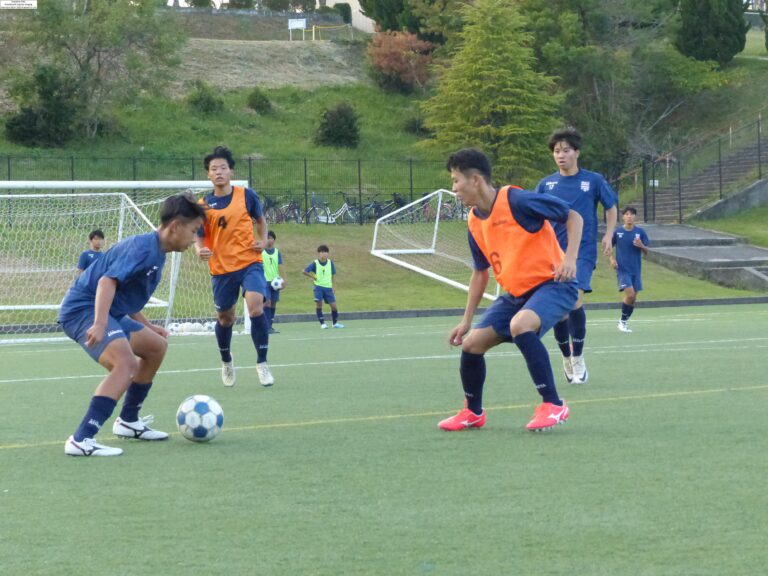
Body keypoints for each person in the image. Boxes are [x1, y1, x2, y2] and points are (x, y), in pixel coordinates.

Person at [439, 148, 583, 432]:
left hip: (554, 285)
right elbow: (480, 273)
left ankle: (553, 404)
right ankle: (473, 412)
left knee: (521, 325)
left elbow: (573, 217)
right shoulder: (473, 220)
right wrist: (466, 320)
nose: (453, 188)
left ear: (476, 180)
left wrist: (570, 259)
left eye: (456, 181)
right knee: (471, 345)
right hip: (516, 296)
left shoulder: (516, 200)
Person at [59, 193, 205, 457]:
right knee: (124, 364)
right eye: (194, 231)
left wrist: (148, 325)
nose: (194, 239)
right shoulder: (143, 249)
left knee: (156, 346)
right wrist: (101, 323)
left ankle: (128, 420)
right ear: (175, 227)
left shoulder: (157, 252)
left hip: (107, 311)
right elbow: (107, 282)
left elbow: (125, 294)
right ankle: (82, 439)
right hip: (83, 310)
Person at [535, 127, 618, 384]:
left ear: (577, 153)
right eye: (557, 152)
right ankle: (565, 356)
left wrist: (609, 234)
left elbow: (611, 206)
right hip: (552, 253)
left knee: (574, 301)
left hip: (582, 251)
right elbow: (534, 214)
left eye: (566, 151)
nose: (561, 155)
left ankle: (579, 356)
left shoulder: (592, 180)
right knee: (560, 311)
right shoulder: (545, 184)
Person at [195, 145, 274, 388]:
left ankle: (262, 362)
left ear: (231, 171)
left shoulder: (246, 195)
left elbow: (261, 221)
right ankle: (226, 359)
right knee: (225, 318)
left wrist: (262, 240)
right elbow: (199, 235)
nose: (218, 172)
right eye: (213, 169)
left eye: (222, 167)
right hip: (221, 269)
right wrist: (200, 249)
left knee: (255, 307)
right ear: (208, 175)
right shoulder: (203, 205)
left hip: (250, 262)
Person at [610, 206, 649, 333]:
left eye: (632, 214)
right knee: (630, 294)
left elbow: (647, 252)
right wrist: (612, 259)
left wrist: (641, 245)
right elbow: (608, 247)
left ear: (635, 217)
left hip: (636, 270)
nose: (629, 216)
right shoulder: (617, 232)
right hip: (622, 269)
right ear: (623, 217)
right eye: (627, 214)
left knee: (633, 299)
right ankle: (622, 322)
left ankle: (624, 322)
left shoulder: (640, 232)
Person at [303, 245, 344, 329]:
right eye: (322, 252)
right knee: (319, 305)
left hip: (328, 288)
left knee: (334, 306)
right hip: (318, 288)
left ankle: (335, 323)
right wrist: (312, 277)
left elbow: (333, 275)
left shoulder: (330, 262)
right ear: (318, 253)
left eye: (325, 252)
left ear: (328, 253)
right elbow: (304, 271)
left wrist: (334, 286)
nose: (324, 254)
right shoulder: (315, 263)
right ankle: (322, 323)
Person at [262, 230, 286, 334]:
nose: (269, 240)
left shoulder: (277, 253)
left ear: (274, 240)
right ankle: (265, 326)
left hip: (275, 282)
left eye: (271, 238)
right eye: (267, 238)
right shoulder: (261, 252)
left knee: (274, 303)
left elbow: (280, 266)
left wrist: (284, 280)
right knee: (267, 302)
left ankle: (270, 326)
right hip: (264, 281)